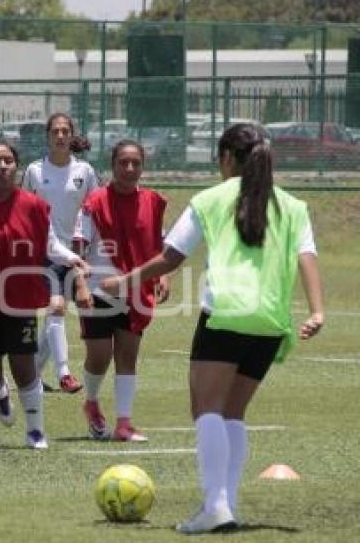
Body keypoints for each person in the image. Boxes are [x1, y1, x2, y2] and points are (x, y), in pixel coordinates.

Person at [100, 124, 324, 534]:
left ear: (225, 158)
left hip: (225, 315)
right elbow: (307, 254)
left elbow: (170, 258)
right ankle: (227, 505)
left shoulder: (209, 199)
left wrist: (123, 281)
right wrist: (317, 310)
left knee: (206, 409)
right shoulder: (292, 204)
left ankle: (215, 506)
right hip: (271, 320)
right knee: (233, 412)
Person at [0, 138, 91, 449]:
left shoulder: (32, 205)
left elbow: (49, 243)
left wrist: (71, 258)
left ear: (17, 167)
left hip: (18, 295)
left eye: (8, 161)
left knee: (25, 368)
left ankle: (35, 431)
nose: (3, 167)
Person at [74, 140, 169, 442]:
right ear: (112, 165)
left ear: (143, 166)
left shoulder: (153, 201)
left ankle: (124, 423)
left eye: (135, 163)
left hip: (135, 290)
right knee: (100, 356)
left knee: (127, 355)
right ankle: (91, 402)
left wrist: (162, 276)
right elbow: (78, 247)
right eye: (123, 163)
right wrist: (79, 283)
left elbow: (159, 245)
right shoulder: (94, 201)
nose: (129, 169)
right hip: (97, 289)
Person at [21, 113, 98, 393]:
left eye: (66, 131)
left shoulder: (85, 172)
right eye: (55, 131)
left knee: (56, 317)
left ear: (72, 135)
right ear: (48, 136)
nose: (61, 136)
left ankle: (31, 374)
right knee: (56, 308)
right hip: (45, 252)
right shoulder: (34, 171)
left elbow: (94, 208)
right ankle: (65, 373)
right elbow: (22, 208)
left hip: (76, 252)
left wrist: (88, 250)